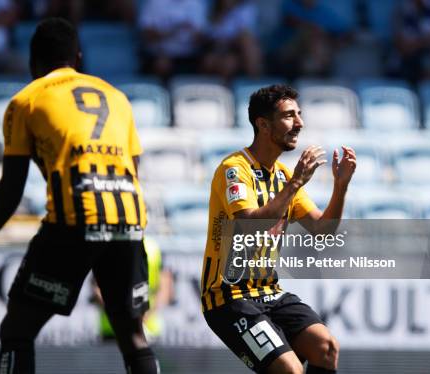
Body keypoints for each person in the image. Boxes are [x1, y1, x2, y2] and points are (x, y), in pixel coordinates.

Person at [0, 18, 159, 374]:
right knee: (132, 332)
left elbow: (11, 186)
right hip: (128, 216)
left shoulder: (26, 100)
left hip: (75, 217)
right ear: (77, 58)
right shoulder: (117, 97)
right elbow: (133, 167)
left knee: (18, 328)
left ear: (34, 62)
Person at [200, 85, 356, 373]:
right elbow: (249, 223)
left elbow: (323, 230)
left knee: (326, 347)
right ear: (263, 124)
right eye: (288, 116)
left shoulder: (283, 175)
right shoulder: (234, 169)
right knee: (290, 371)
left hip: (269, 291)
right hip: (228, 297)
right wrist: (295, 183)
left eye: (299, 114)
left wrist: (340, 187)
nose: (299, 123)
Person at [138, 0, 207, 79]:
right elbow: (147, 34)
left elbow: (202, 37)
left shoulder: (196, 3)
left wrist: (193, 33)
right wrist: (175, 30)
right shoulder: (154, 2)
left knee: (208, 62)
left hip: (189, 56)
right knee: (162, 65)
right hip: (158, 53)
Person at [199, 0, 263, 79]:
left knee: (243, 46)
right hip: (215, 49)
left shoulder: (246, 9)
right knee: (212, 61)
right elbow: (207, 34)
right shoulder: (212, 11)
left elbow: (246, 35)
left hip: (237, 51)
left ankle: (254, 79)